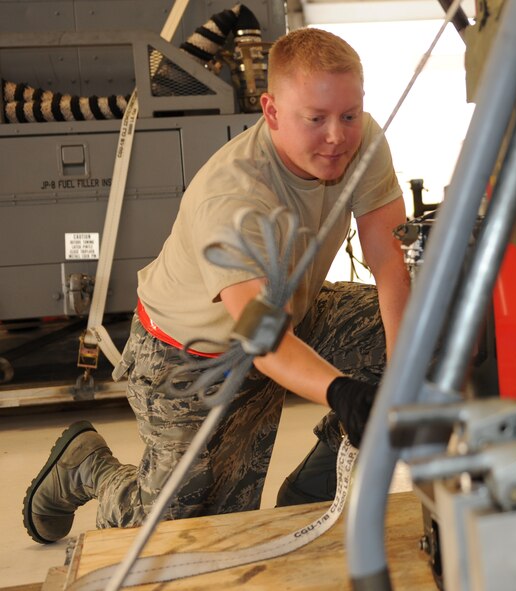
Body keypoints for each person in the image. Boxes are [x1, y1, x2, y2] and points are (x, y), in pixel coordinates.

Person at [22, 27, 410, 544]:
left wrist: (401, 368)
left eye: (348, 114)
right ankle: (87, 466)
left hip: (289, 317)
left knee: (432, 328)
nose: (337, 136)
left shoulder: (363, 141)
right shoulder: (234, 196)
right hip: (190, 359)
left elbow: (388, 261)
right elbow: (258, 332)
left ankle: (313, 492)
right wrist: (340, 391)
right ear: (271, 112)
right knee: (180, 540)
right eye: (315, 119)